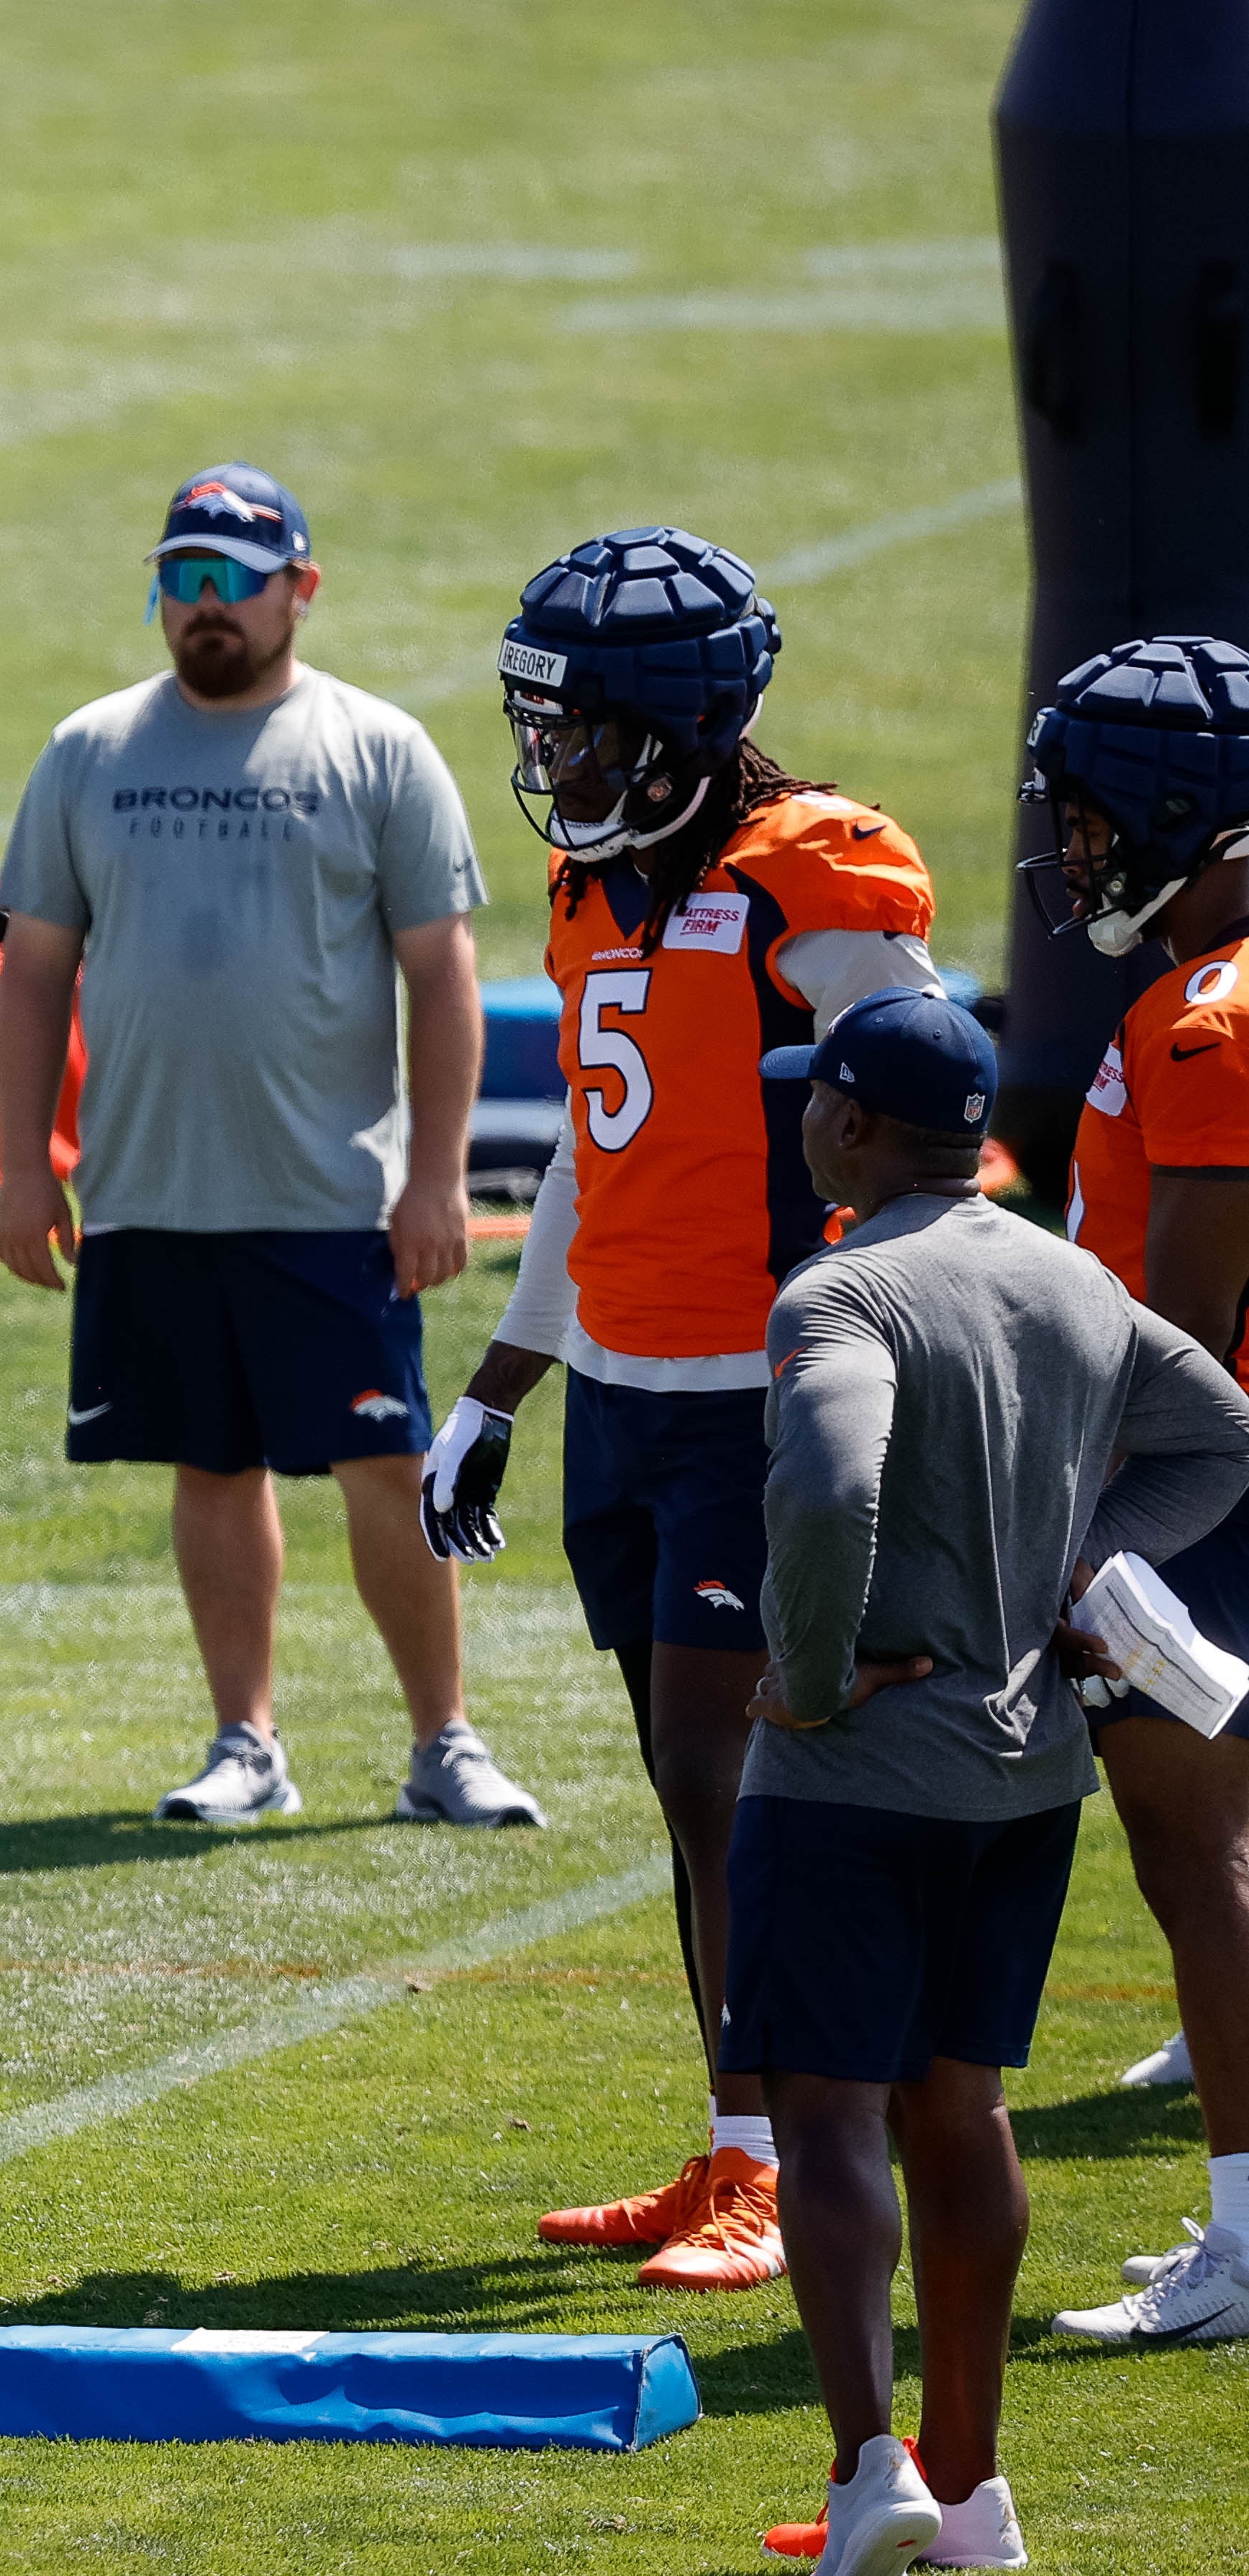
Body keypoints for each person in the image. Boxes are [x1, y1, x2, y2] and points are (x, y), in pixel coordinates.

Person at [425, 528, 938, 2296]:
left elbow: (929, 1133)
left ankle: (796, 2159)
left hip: (770, 1395)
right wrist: (506, 1378)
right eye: (539, 724)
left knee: (741, 1784)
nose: (550, 759)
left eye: (576, 728)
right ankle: (739, 2140)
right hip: (635, 1393)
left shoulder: (812, 877)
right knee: (687, 1781)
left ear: (671, 725)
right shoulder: (599, 890)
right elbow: (596, 1145)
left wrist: (866, 1365)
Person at [736, 986, 1249, 2575]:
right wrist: (1088, 1565)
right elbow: (1224, 1429)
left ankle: (867, 2462)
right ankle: (973, 2489)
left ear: (856, 1124)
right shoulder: (1075, 1282)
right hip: (1025, 1776)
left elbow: (828, 1485)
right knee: (964, 2111)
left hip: (853, 1772)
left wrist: (812, 1676)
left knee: (826, 2113)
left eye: (814, 1095)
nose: (802, 1114)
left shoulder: (841, 1291)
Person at [0, 463, 540, 1833]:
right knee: (208, 1464)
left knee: (384, 1464)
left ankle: (444, 1744)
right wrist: (20, 1163)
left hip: (333, 1194)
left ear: (299, 588)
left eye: (231, 581)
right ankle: (246, 1741)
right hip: (147, 1190)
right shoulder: (88, 751)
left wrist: (432, 1176)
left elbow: (444, 976)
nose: (203, 608)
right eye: (179, 580)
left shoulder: (377, 748)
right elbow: (31, 972)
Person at [1020, 635, 1249, 2347]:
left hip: (1205, 1491)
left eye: (1096, 818)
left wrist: (1077, 1518)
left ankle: (1248, 2236)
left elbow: (1181, 1328)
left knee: (1198, 1853)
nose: (1074, 852)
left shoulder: (1204, 1018)